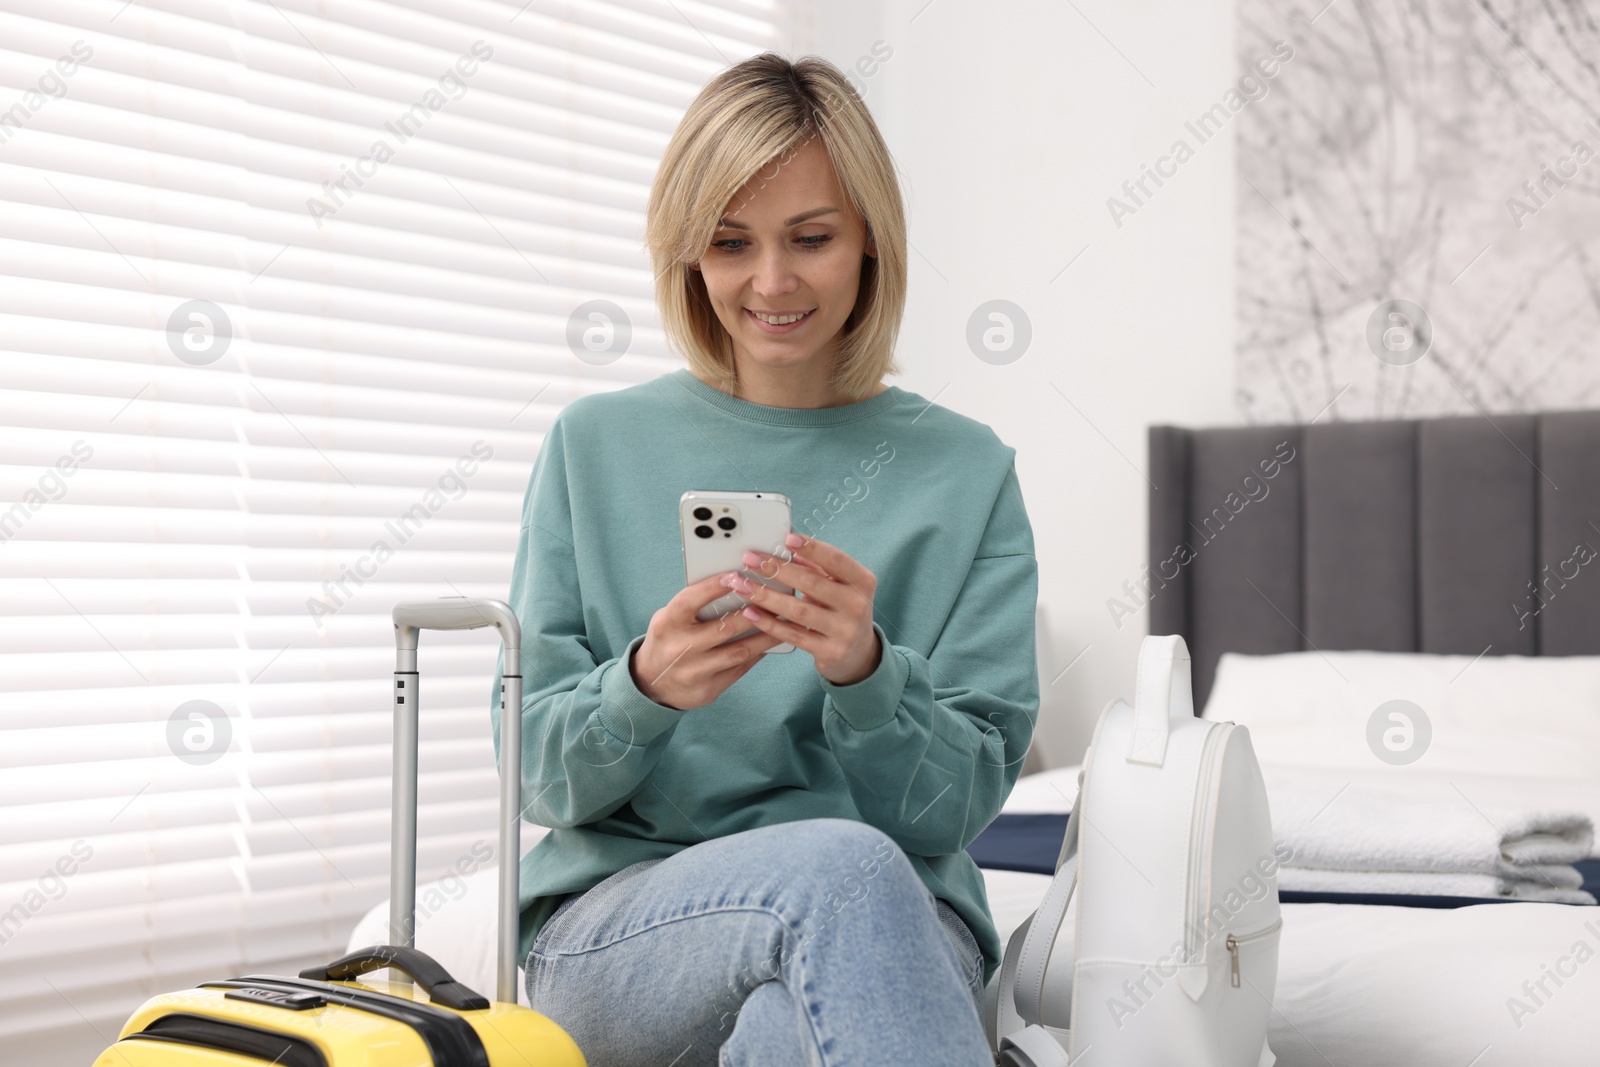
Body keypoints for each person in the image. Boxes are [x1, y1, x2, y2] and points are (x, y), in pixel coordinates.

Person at [491, 51, 1040, 1065]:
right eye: (731, 242)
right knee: (841, 869)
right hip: (621, 933)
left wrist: (867, 679)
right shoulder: (594, 445)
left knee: (796, 1022)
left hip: (905, 926)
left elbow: (954, 810)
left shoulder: (967, 472)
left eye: (812, 238)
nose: (772, 281)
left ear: (870, 240)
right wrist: (641, 690)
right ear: (687, 253)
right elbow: (531, 776)